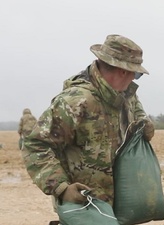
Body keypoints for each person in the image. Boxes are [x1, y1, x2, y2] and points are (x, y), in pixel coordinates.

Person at [22, 34, 155, 209]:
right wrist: (62, 188)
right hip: (86, 205)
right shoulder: (75, 101)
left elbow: (137, 112)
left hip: (123, 205)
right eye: (136, 74)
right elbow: (36, 145)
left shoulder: (126, 95)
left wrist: (144, 124)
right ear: (123, 70)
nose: (134, 80)